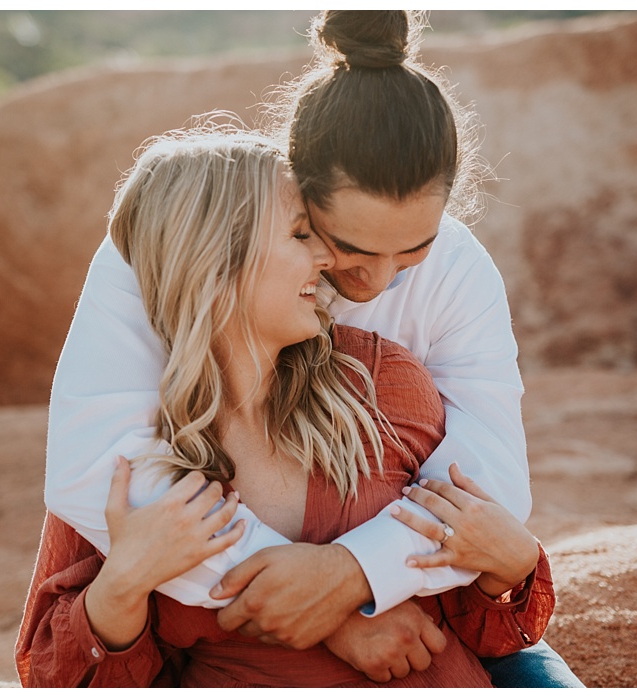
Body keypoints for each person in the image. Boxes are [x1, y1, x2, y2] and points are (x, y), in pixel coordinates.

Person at [41, 11, 582, 687]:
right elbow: (92, 466)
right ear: (295, 184)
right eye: (348, 247)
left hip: (425, 619)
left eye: (411, 251)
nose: (376, 280)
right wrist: (332, 616)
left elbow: (489, 474)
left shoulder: (458, 274)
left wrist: (351, 575)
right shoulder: (177, 240)